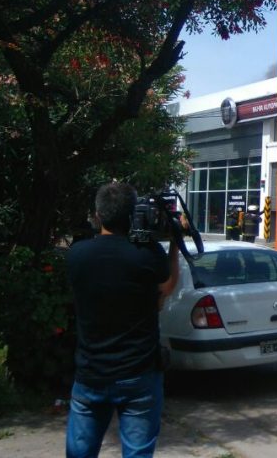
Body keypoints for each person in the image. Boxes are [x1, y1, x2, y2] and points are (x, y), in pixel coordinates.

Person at [66, 182, 180, 457]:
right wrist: (175, 242)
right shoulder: (147, 254)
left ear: (97, 215)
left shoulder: (77, 255)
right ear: (133, 216)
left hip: (91, 373)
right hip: (138, 374)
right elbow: (167, 287)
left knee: (79, 453)